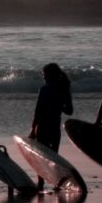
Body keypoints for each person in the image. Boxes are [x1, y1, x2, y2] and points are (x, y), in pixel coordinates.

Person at [28, 63, 73, 191]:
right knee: (53, 157)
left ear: (50, 75)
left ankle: (40, 183)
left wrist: (32, 130)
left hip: (42, 128)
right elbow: (69, 111)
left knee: (40, 156)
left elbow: (38, 111)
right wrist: (59, 105)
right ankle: (56, 183)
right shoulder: (64, 90)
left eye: (44, 75)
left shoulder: (45, 89)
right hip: (54, 128)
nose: (43, 77)